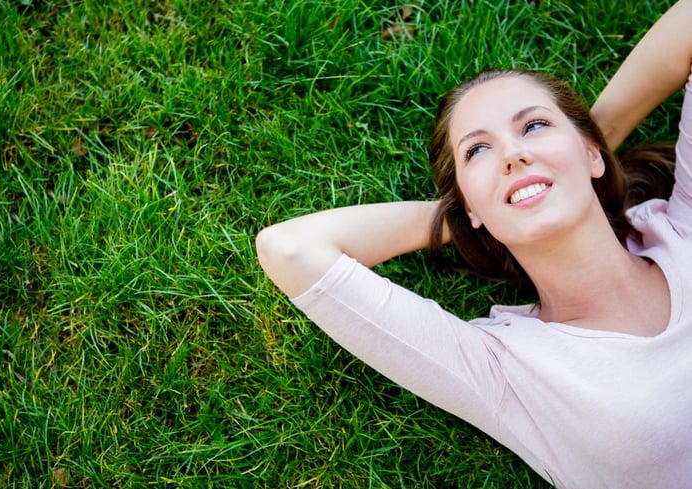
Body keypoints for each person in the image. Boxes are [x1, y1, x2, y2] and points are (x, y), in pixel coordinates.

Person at [256, 1, 692, 487]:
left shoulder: (683, 227)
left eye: (535, 126)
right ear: (469, 208)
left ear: (593, 153)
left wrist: (589, 146)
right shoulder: (507, 369)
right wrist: (469, 212)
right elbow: (291, 249)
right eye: (478, 150)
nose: (513, 153)